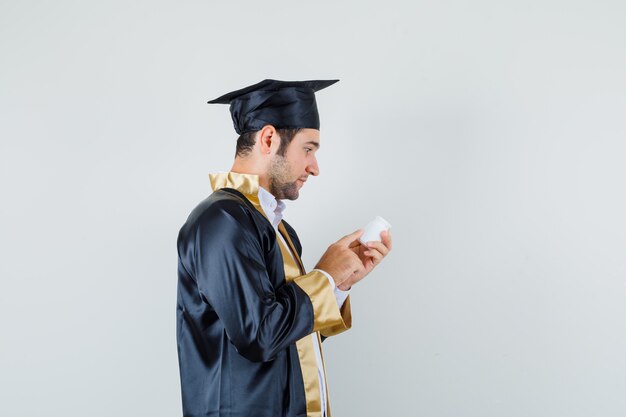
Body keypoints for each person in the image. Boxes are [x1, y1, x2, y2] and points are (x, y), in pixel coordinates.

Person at [176, 79, 392, 417]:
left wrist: (339, 283)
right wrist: (324, 276)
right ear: (268, 139)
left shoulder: (277, 228)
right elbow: (258, 336)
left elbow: (288, 340)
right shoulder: (222, 220)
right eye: (308, 148)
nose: (314, 168)